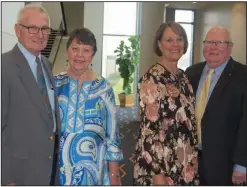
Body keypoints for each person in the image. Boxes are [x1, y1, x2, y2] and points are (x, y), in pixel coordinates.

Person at [133, 22, 199, 185]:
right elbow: (149, 131)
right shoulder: (152, 79)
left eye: (179, 39)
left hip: (185, 163)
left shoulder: (183, 78)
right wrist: (158, 174)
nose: (175, 44)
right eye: (169, 40)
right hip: (161, 167)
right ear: (159, 44)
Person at [55, 28, 124, 185]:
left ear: (92, 55)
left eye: (86, 50)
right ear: (67, 51)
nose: (80, 55)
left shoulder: (104, 88)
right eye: (75, 49)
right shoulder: (55, 84)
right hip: (58, 173)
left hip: (93, 174)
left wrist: (114, 176)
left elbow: (112, 136)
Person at [2, 4, 60, 185]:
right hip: (19, 175)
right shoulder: (4, 67)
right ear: (18, 30)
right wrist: (5, 178)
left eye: (44, 29)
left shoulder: (47, 65)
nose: (40, 34)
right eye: (32, 28)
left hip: (48, 169)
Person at [185, 26, 247, 185]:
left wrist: (241, 165)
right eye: (208, 42)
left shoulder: (243, 75)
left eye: (219, 43)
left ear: (230, 47)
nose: (212, 47)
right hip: (191, 160)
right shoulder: (191, 73)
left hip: (226, 164)